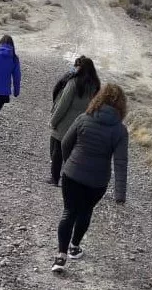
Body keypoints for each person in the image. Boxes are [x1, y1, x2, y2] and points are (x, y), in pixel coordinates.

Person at [51, 84, 128, 273]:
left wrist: (69, 163)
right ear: (121, 105)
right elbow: (120, 163)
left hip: (72, 175)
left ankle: (60, 257)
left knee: (69, 212)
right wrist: (120, 194)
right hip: (97, 181)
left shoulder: (83, 118)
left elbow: (65, 143)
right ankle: (74, 247)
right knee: (85, 212)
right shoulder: (120, 130)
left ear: (98, 99)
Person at [49, 57, 100, 186]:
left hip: (65, 124)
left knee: (56, 150)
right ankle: (71, 178)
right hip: (83, 125)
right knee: (73, 153)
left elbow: (63, 104)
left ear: (80, 68)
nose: (74, 68)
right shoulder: (96, 86)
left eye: (76, 66)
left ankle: (55, 178)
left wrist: (53, 121)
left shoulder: (74, 82)